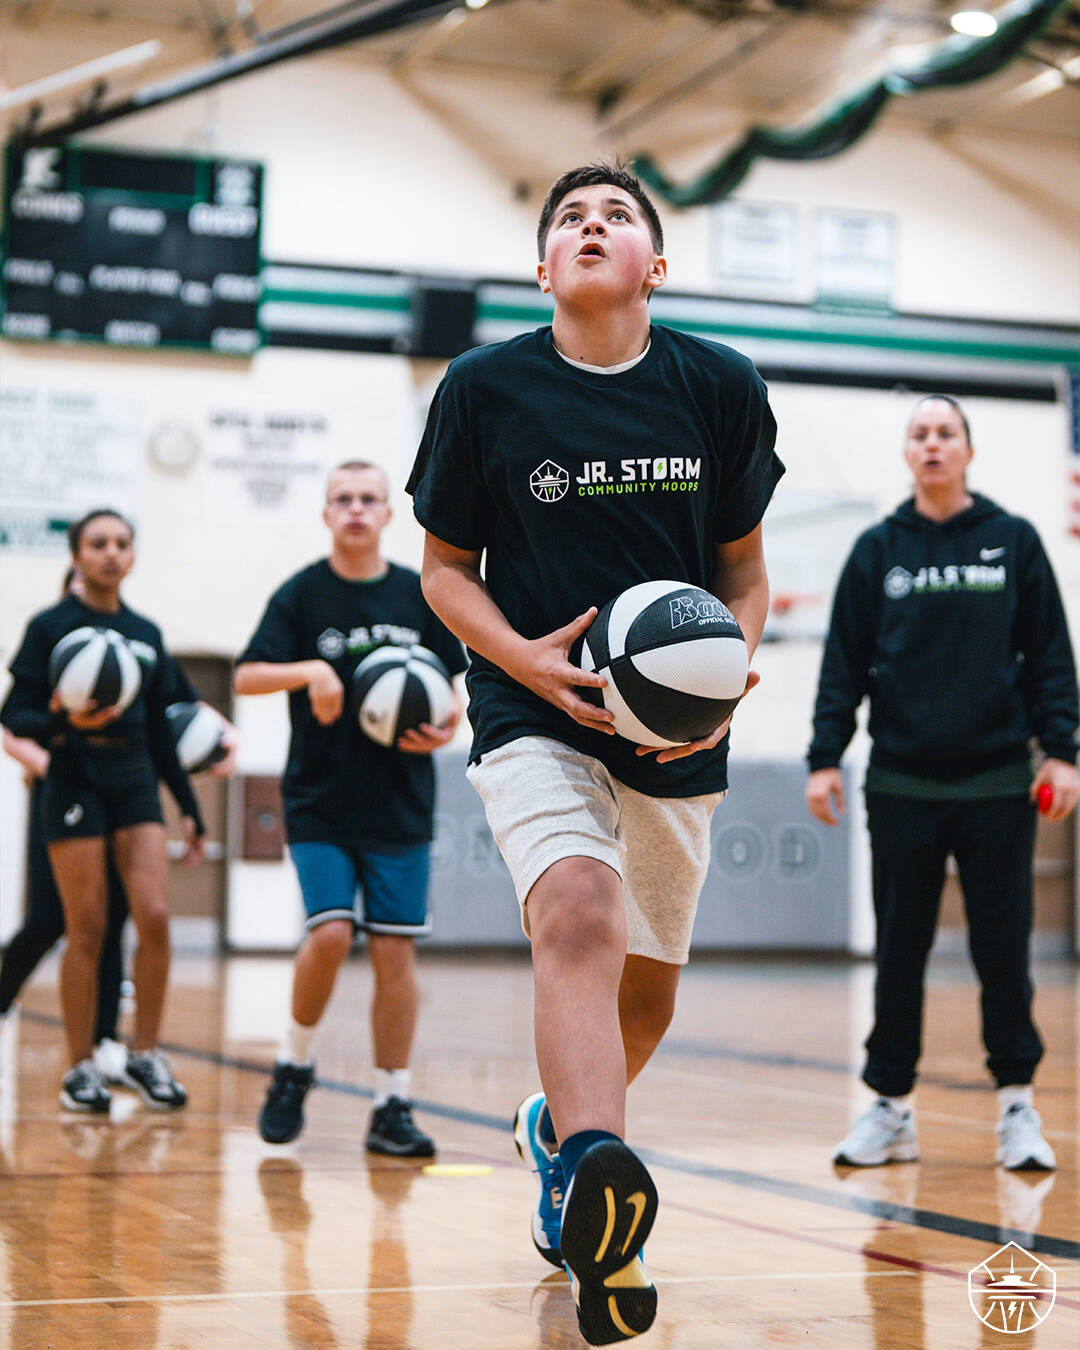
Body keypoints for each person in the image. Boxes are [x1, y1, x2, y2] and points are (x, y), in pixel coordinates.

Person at [407, 161, 782, 1344]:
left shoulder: (719, 387)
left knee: (647, 994)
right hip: (531, 706)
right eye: (568, 217)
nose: (589, 226)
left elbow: (746, 575)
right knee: (576, 912)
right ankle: (595, 1198)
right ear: (542, 266)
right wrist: (521, 660)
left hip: (675, 729)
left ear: (653, 266)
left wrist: (725, 685)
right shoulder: (483, 389)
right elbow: (443, 573)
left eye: (615, 216)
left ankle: (557, 1134)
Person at [806, 394, 1078, 1172]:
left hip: (997, 783)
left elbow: (1051, 657)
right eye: (919, 434)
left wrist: (1062, 750)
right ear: (907, 452)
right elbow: (843, 666)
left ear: (967, 449)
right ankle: (890, 1110)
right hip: (901, 784)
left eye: (945, 433)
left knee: (1004, 952)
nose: (932, 444)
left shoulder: (1012, 542)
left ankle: (1018, 1107)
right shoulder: (876, 550)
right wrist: (825, 757)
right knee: (899, 952)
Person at [235, 460, 466, 1156]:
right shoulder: (302, 595)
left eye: (369, 499)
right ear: (327, 513)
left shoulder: (416, 593)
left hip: (399, 802)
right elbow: (246, 675)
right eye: (344, 500)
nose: (357, 510)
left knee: (395, 950)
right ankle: (293, 1064)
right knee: (331, 933)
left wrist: (448, 721)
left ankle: (391, 1104)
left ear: (389, 514)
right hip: (320, 799)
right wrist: (309, 670)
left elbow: (453, 686)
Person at [0, 510, 206, 1113]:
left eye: (121, 543)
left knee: (157, 916)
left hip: (136, 781)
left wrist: (190, 807)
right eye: (98, 544)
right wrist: (67, 719)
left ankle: (144, 1054)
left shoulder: (145, 632)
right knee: (84, 926)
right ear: (77, 555)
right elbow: (16, 715)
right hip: (73, 782)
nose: (111, 553)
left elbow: (166, 729)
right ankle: (80, 1067)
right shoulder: (51, 626)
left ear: (133, 555)